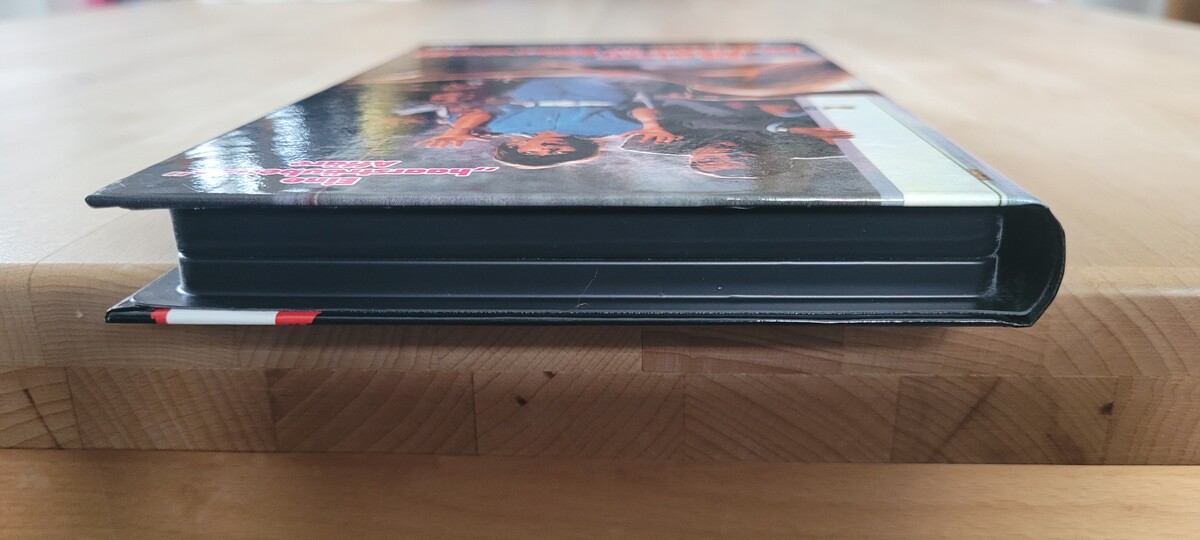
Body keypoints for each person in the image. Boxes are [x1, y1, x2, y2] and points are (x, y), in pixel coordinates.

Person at [415, 77, 680, 168]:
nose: (549, 150)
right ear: (575, 149)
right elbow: (636, 109)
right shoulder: (607, 131)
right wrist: (651, 126)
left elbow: (479, 113)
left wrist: (458, 130)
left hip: (533, 89)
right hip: (598, 92)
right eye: (558, 153)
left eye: (535, 153)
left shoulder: (502, 129)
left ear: (518, 147)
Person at [622, 99, 852, 178]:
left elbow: (634, 107)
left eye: (711, 160)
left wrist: (650, 124)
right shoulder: (792, 149)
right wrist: (801, 131)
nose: (726, 152)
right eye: (739, 157)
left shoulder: (660, 144)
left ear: (693, 160)